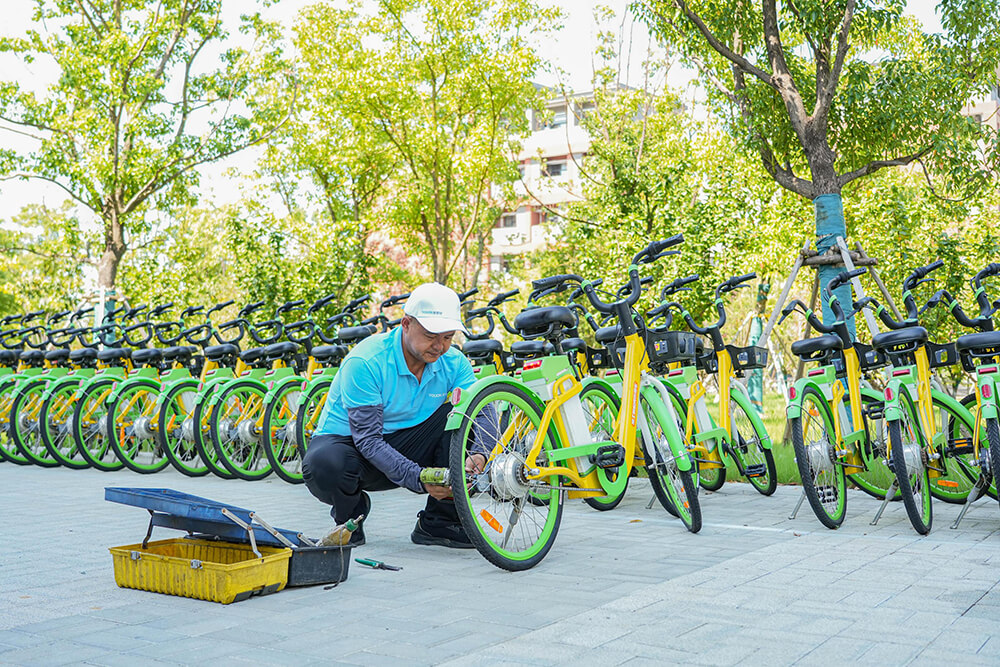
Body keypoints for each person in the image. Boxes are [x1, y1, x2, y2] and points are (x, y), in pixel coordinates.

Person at [302, 282, 488, 548]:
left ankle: (439, 523)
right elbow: (368, 440)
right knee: (324, 464)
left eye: (447, 337)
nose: (439, 346)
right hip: (353, 445)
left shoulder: (454, 362)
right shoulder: (366, 361)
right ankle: (350, 516)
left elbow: (485, 410)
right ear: (406, 324)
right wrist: (418, 478)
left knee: (463, 414)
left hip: (409, 441)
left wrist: (481, 453)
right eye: (431, 335)